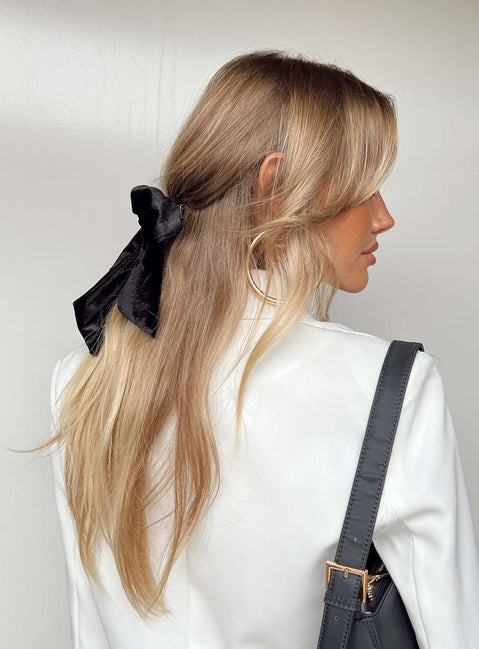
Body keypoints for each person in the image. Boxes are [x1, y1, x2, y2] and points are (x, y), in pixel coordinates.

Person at [43, 50, 479, 648]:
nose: (384, 217)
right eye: (365, 188)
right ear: (274, 186)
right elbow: (456, 631)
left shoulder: (85, 379)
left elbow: (88, 630)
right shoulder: (392, 387)